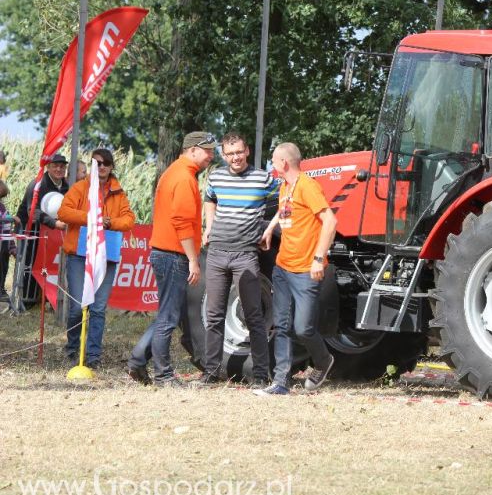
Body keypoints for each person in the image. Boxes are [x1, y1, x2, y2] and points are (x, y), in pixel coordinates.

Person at [127, 131, 216, 387]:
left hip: (165, 252)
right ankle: (163, 375)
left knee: (168, 314)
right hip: (174, 254)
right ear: (192, 150)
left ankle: (137, 361)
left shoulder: (174, 172)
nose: (211, 156)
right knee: (169, 317)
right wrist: (193, 260)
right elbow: (182, 222)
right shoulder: (184, 177)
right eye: (208, 150)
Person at [196, 132, 280, 387]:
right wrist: (209, 226)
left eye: (239, 152)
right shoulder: (216, 176)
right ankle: (211, 372)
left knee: (253, 315)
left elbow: (287, 201)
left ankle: (261, 374)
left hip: (246, 255)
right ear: (223, 155)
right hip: (217, 253)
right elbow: (210, 199)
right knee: (214, 315)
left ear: (247, 151)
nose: (235, 158)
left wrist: (269, 229)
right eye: (230, 154)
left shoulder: (262, 178)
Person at [253, 142, 337, 396]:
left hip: (305, 270)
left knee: (303, 328)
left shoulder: (307, 186)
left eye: (274, 161)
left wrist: (318, 258)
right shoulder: (285, 186)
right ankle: (281, 382)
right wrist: (270, 228)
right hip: (282, 268)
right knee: (281, 325)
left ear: (284, 163)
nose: (272, 165)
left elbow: (330, 221)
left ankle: (323, 361)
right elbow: (284, 210)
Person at [57, 149, 135, 368]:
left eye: (106, 163)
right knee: (77, 307)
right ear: (92, 165)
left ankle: (93, 356)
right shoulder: (80, 187)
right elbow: (63, 212)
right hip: (78, 255)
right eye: (97, 163)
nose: (102, 167)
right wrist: (91, 218)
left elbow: (129, 220)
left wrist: (109, 222)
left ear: (111, 167)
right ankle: (72, 349)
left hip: (106, 255)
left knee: (98, 308)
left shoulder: (118, 192)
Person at [13, 154, 70, 306]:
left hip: (51, 233)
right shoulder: (37, 184)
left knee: (48, 264)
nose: (59, 169)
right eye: (55, 166)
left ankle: (45, 297)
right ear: (48, 167)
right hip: (31, 230)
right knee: (30, 263)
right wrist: (54, 223)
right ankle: (26, 299)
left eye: (62, 166)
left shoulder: (67, 185)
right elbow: (33, 211)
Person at [0, 180, 17, 303]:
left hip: (3, 246)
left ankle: (1, 289)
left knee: (3, 267)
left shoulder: (2, 207)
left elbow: (7, 228)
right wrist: (10, 218)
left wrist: (12, 247)